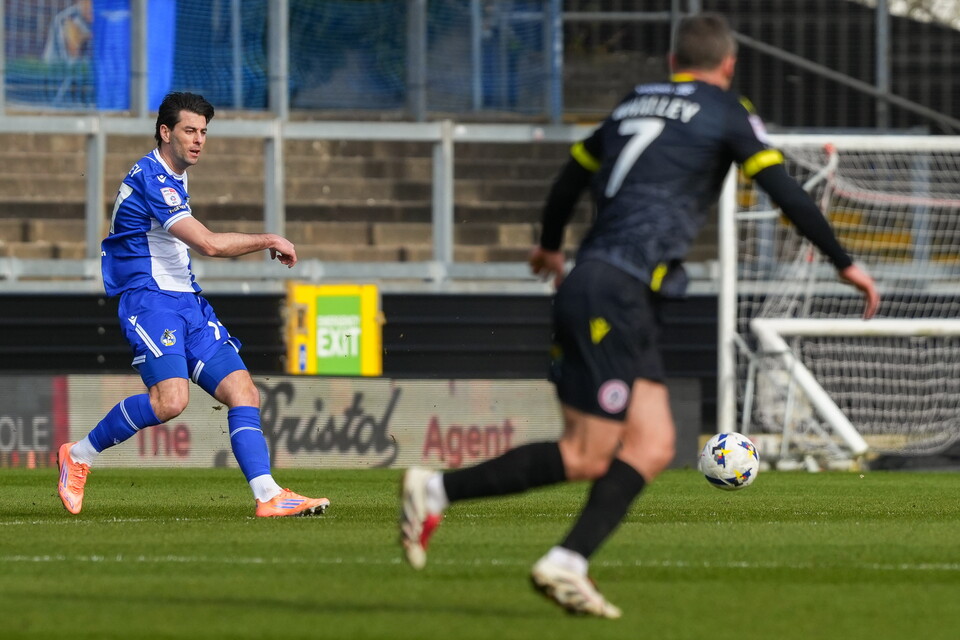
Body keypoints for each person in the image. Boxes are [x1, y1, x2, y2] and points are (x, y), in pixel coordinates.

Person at [399, 13, 879, 619]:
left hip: (604, 283)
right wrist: (844, 263)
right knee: (587, 455)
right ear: (728, 65)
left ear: (672, 61)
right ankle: (436, 488)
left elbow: (571, 175)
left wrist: (549, 244)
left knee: (653, 444)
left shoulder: (633, 102)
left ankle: (568, 562)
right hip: (615, 288)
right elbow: (783, 189)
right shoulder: (729, 109)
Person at [57, 91, 330, 518]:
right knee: (171, 401)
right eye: (189, 130)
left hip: (187, 301)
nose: (199, 139)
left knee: (244, 392)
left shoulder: (175, 175)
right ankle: (79, 454)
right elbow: (209, 244)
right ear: (165, 132)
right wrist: (270, 239)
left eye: (204, 131)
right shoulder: (152, 177)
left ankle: (268, 495)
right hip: (149, 300)